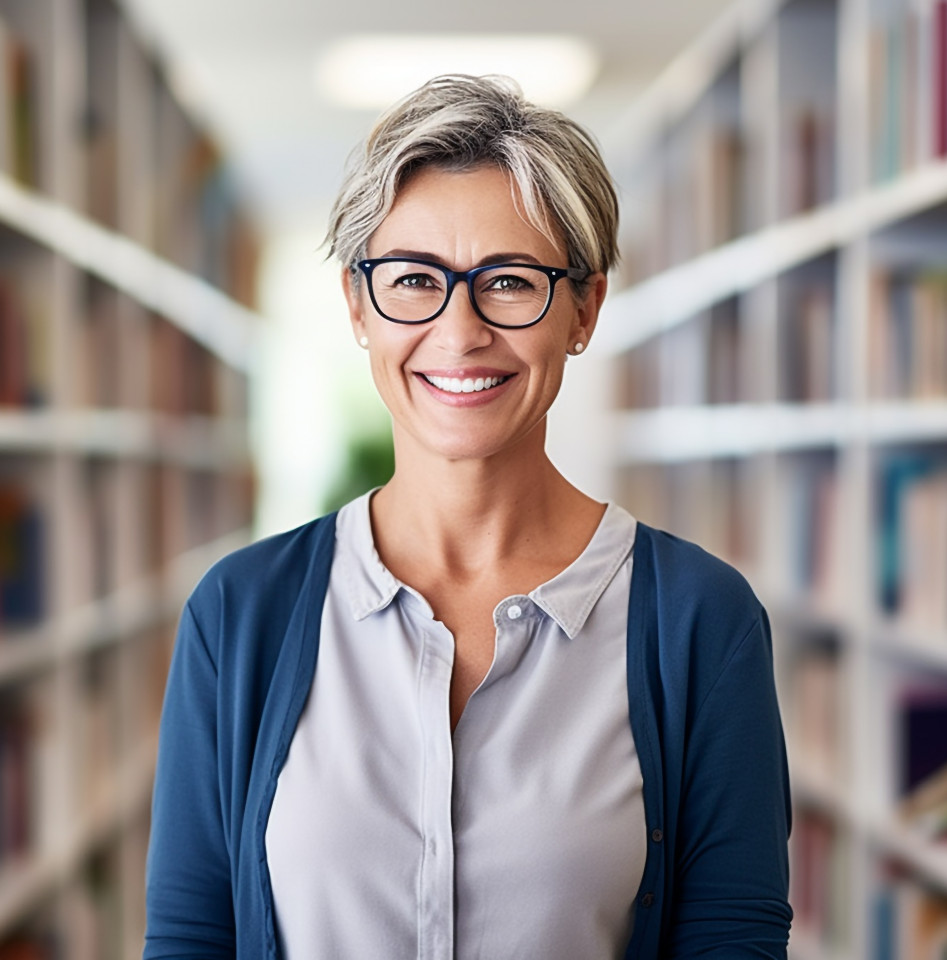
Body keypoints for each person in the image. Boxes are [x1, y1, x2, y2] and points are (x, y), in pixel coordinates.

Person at [144, 75, 792, 959]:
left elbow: (731, 941)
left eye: (510, 281)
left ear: (583, 310)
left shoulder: (700, 624)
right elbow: (191, 938)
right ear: (358, 306)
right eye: (414, 280)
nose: (459, 332)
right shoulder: (239, 615)